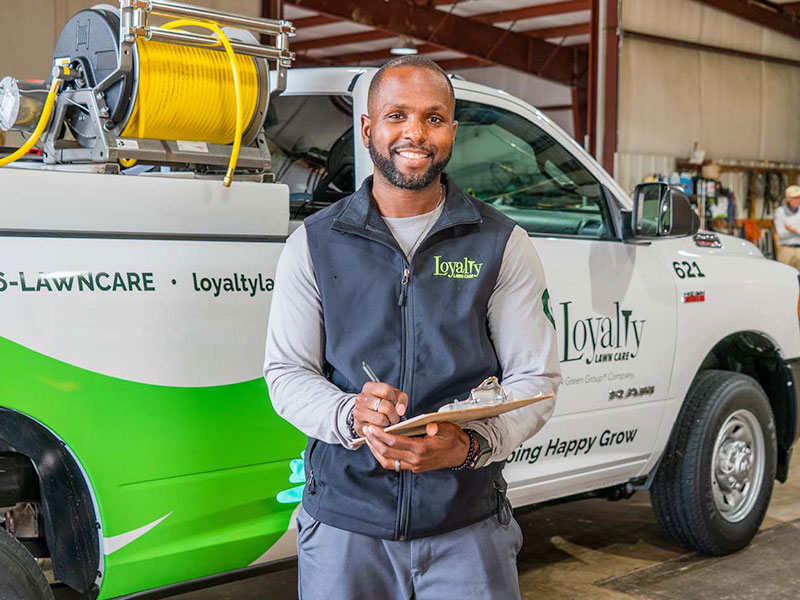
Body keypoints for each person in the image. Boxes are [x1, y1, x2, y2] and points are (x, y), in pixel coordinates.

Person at [264, 55, 561, 600]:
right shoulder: (312, 243)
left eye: (434, 118)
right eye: (397, 115)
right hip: (344, 530)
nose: (414, 134)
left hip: (467, 527)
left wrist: (469, 445)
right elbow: (286, 373)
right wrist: (349, 414)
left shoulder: (500, 243)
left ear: (452, 129)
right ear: (367, 127)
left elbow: (535, 381)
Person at [775, 185, 800, 270]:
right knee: (784, 275)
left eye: (799, 197)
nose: (798, 200)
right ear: (788, 198)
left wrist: (794, 230)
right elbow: (781, 234)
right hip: (786, 249)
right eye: (795, 198)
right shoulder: (780, 212)